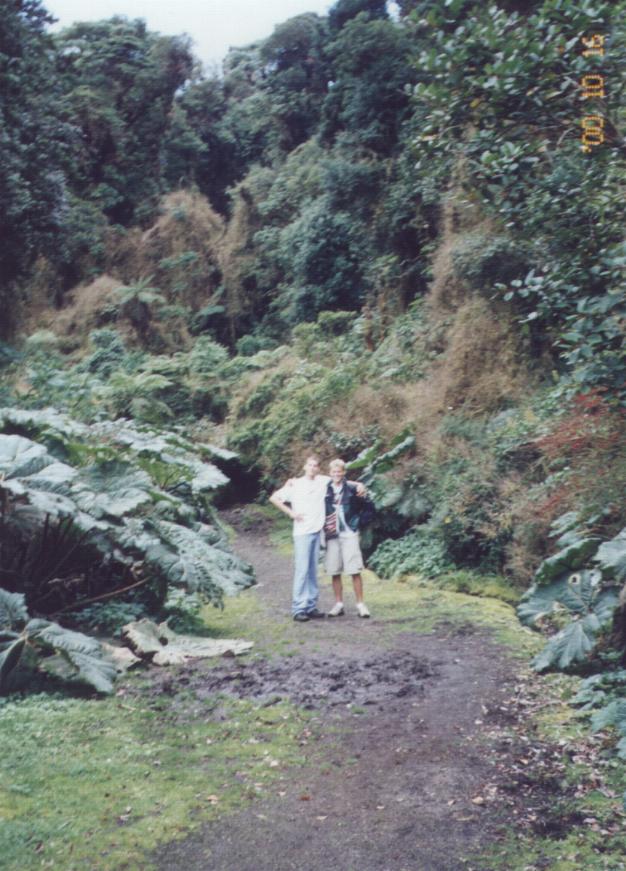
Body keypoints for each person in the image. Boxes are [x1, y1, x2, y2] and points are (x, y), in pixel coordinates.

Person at [269, 456, 365, 622]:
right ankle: (298, 608)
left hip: (317, 532)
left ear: (319, 469)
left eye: (315, 466)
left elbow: (342, 480)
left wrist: (360, 485)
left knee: (313, 570)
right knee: (302, 570)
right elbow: (274, 498)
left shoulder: (322, 481)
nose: (313, 468)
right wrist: (291, 513)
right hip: (302, 533)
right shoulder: (295, 484)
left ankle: (311, 606)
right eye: (310, 465)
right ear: (305, 467)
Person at [324, 458, 370, 619]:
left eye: (339, 471)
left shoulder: (352, 488)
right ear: (330, 473)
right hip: (332, 534)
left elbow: (368, 506)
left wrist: (359, 522)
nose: (336, 474)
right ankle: (338, 604)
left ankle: (360, 604)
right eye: (333, 472)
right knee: (334, 570)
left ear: (344, 473)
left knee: (354, 570)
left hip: (349, 533)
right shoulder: (325, 489)